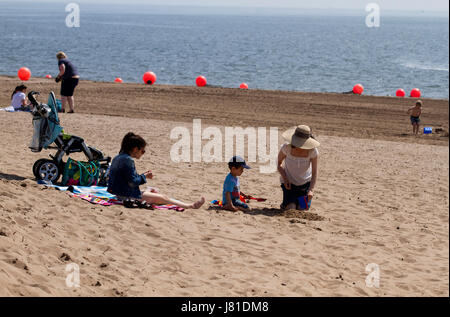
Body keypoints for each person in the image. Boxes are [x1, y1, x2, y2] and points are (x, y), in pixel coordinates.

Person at [107, 132, 205, 209]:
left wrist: (143, 176)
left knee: (152, 192)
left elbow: (124, 179)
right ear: (135, 149)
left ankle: (149, 191)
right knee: (164, 198)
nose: (143, 153)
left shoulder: (118, 157)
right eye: (143, 151)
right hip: (124, 195)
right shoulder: (128, 160)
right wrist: (145, 176)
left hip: (117, 192)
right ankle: (190, 206)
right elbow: (132, 182)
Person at [277, 125, 319, 210]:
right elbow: (278, 164)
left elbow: (314, 172)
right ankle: (286, 203)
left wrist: (311, 190)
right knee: (291, 208)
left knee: (301, 209)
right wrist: (285, 179)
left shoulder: (313, 151)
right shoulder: (286, 147)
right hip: (289, 184)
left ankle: (293, 202)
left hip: (305, 185)